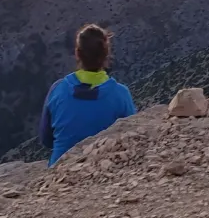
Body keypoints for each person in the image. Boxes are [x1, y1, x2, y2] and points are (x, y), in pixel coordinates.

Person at [38, 24, 136, 166]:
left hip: (60, 169)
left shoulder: (57, 89)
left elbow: (46, 139)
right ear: (106, 54)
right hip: (104, 166)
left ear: (77, 53)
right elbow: (130, 137)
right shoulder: (121, 94)